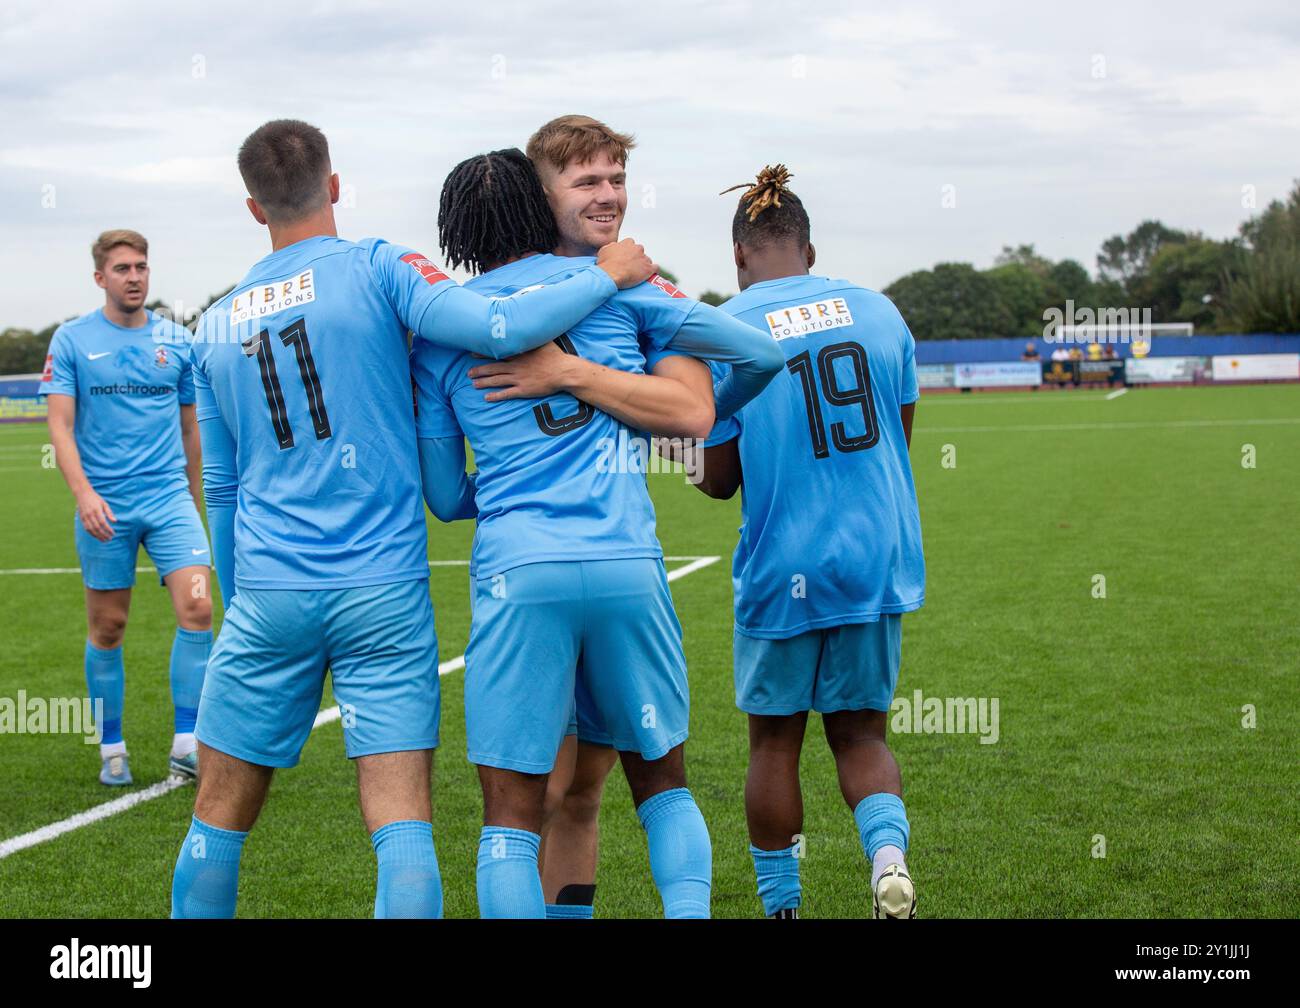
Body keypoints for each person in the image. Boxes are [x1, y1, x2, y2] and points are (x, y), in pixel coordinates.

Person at [169, 119, 653, 919]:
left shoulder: (211, 325)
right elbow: (499, 328)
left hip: (267, 595)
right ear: (333, 187)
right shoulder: (379, 266)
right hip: (381, 591)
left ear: (254, 208)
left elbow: (218, 486)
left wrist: (236, 595)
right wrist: (607, 275)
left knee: (218, 816)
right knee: (401, 827)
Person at [415, 146, 782, 918]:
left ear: (456, 231)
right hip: (628, 564)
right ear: (540, 209)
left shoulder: (443, 333)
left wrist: (512, 486)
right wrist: (701, 422)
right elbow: (759, 353)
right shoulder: (621, 296)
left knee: (512, 819)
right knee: (662, 786)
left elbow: (445, 496)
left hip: (521, 573)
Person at [692, 165, 925, 919]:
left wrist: (668, 441)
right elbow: (899, 441)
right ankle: (887, 862)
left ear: (738, 256)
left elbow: (720, 478)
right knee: (861, 735)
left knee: (774, 747)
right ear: (811, 248)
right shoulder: (881, 313)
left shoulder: (725, 327)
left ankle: (784, 909)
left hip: (780, 564)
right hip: (871, 558)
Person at [40, 229, 212, 786]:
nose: (134, 276)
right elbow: (60, 428)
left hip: (169, 502)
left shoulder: (176, 341)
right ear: (100, 278)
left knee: (199, 609)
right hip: (104, 507)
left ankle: (187, 741)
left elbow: (191, 429)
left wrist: (193, 499)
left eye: (141, 266)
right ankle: (111, 745)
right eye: (122, 269)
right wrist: (85, 495)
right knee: (108, 628)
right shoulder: (71, 341)